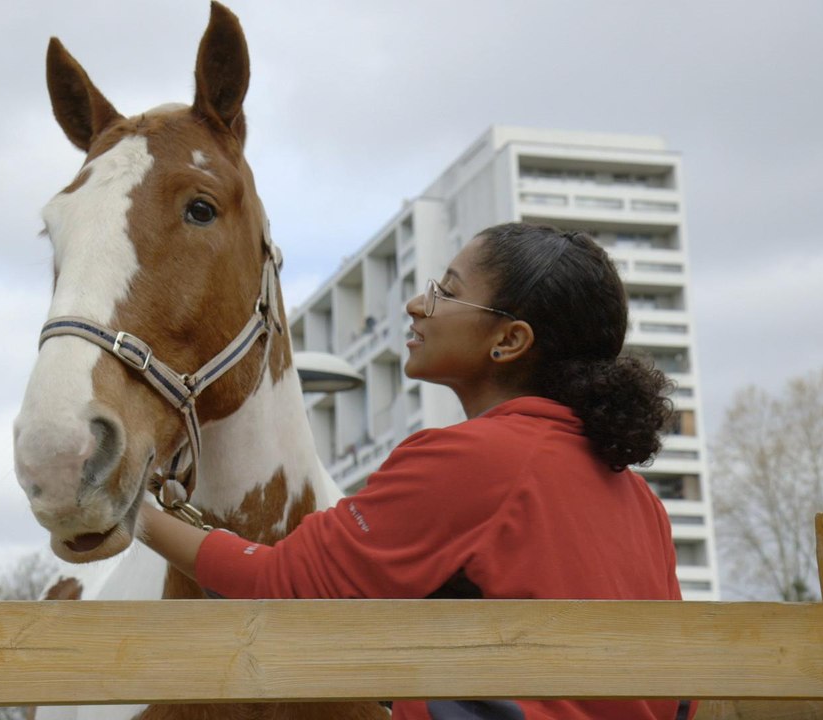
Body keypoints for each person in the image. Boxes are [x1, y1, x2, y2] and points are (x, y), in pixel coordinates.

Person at [138, 222, 693, 720]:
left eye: (446, 292)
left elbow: (278, 585)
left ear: (510, 341)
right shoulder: (641, 500)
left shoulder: (479, 459)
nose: (415, 304)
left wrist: (138, 517)